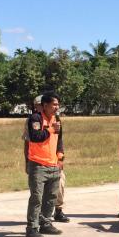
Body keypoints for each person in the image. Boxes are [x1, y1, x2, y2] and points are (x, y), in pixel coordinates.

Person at [23, 95, 69, 223]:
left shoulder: (56, 119)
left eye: (57, 104)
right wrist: (27, 162)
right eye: (37, 105)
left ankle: (53, 214)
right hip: (38, 163)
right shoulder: (33, 120)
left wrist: (60, 158)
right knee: (37, 196)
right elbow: (31, 140)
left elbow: (59, 140)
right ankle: (34, 224)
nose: (56, 107)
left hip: (53, 162)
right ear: (42, 105)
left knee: (54, 191)